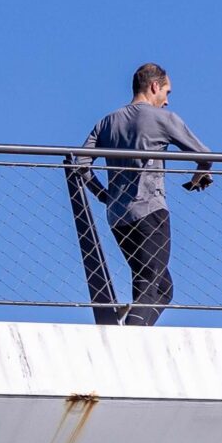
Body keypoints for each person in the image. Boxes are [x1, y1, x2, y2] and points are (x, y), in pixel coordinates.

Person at [81, 62, 213, 326]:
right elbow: (206, 157)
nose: (167, 100)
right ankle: (131, 338)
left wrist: (103, 195)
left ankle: (137, 332)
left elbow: (80, 164)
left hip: (118, 217)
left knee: (161, 287)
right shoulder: (163, 118)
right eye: (167, 92)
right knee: (151, 283)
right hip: (150, 211)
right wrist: (198, 177)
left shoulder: (107, 122)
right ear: (154, 86)